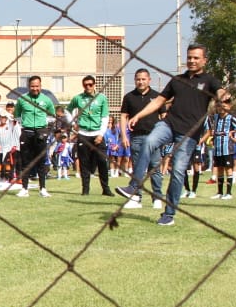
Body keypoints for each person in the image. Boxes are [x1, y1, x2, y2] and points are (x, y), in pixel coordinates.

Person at [116, 44, 223, 227]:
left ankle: (169, 214)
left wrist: (223, 95)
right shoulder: (177, 80)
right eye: (189, 57)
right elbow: (159, 101)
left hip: (189, 133)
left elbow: (220, 91)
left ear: (204, 60)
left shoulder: (210, 81)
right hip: (169, 124)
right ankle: (134, 186)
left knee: (178, 171)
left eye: (196, 58)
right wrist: (138, 115)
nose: (192, 60)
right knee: (148, 141)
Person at [118, 68, 164, 210]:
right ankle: (136, 198)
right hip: (136, 137)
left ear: (149, 80)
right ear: (135, 80)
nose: (141, 81)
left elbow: (164, 117)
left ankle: (157, 197)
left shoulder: (157, 97)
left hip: (154, 137)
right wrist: (124, 136)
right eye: (138, 79)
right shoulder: (129, 97)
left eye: (143, 79)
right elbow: (123, 117)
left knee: (154, 168)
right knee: (137, 168)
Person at [67, 75, 112, 196]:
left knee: (102, 161)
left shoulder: (101, 98)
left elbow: (105, 117)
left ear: (94, 85)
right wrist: (73, 123)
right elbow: (67, 110)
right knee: (84, 163)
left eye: (90, 84)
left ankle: (106, 189)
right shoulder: (78, 98)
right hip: (83, 134)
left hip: (97, 134)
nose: (88, 87)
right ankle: (85, 189)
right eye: (85, 85)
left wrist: (101, 134)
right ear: (83, 86)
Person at [12, 75, 56, 198]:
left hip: (41, 133)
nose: (35, 88)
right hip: (27, 133)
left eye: (37, 86)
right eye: (32, 86)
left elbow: (52, 116)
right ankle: (24, 189)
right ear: (28, 86)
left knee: (41, 162)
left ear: (40, 86)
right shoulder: (22, 99)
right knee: (25, 162)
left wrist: (46, 129)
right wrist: (25, 124)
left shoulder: (46, 100)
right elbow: (17, 115)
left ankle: (42, 188)